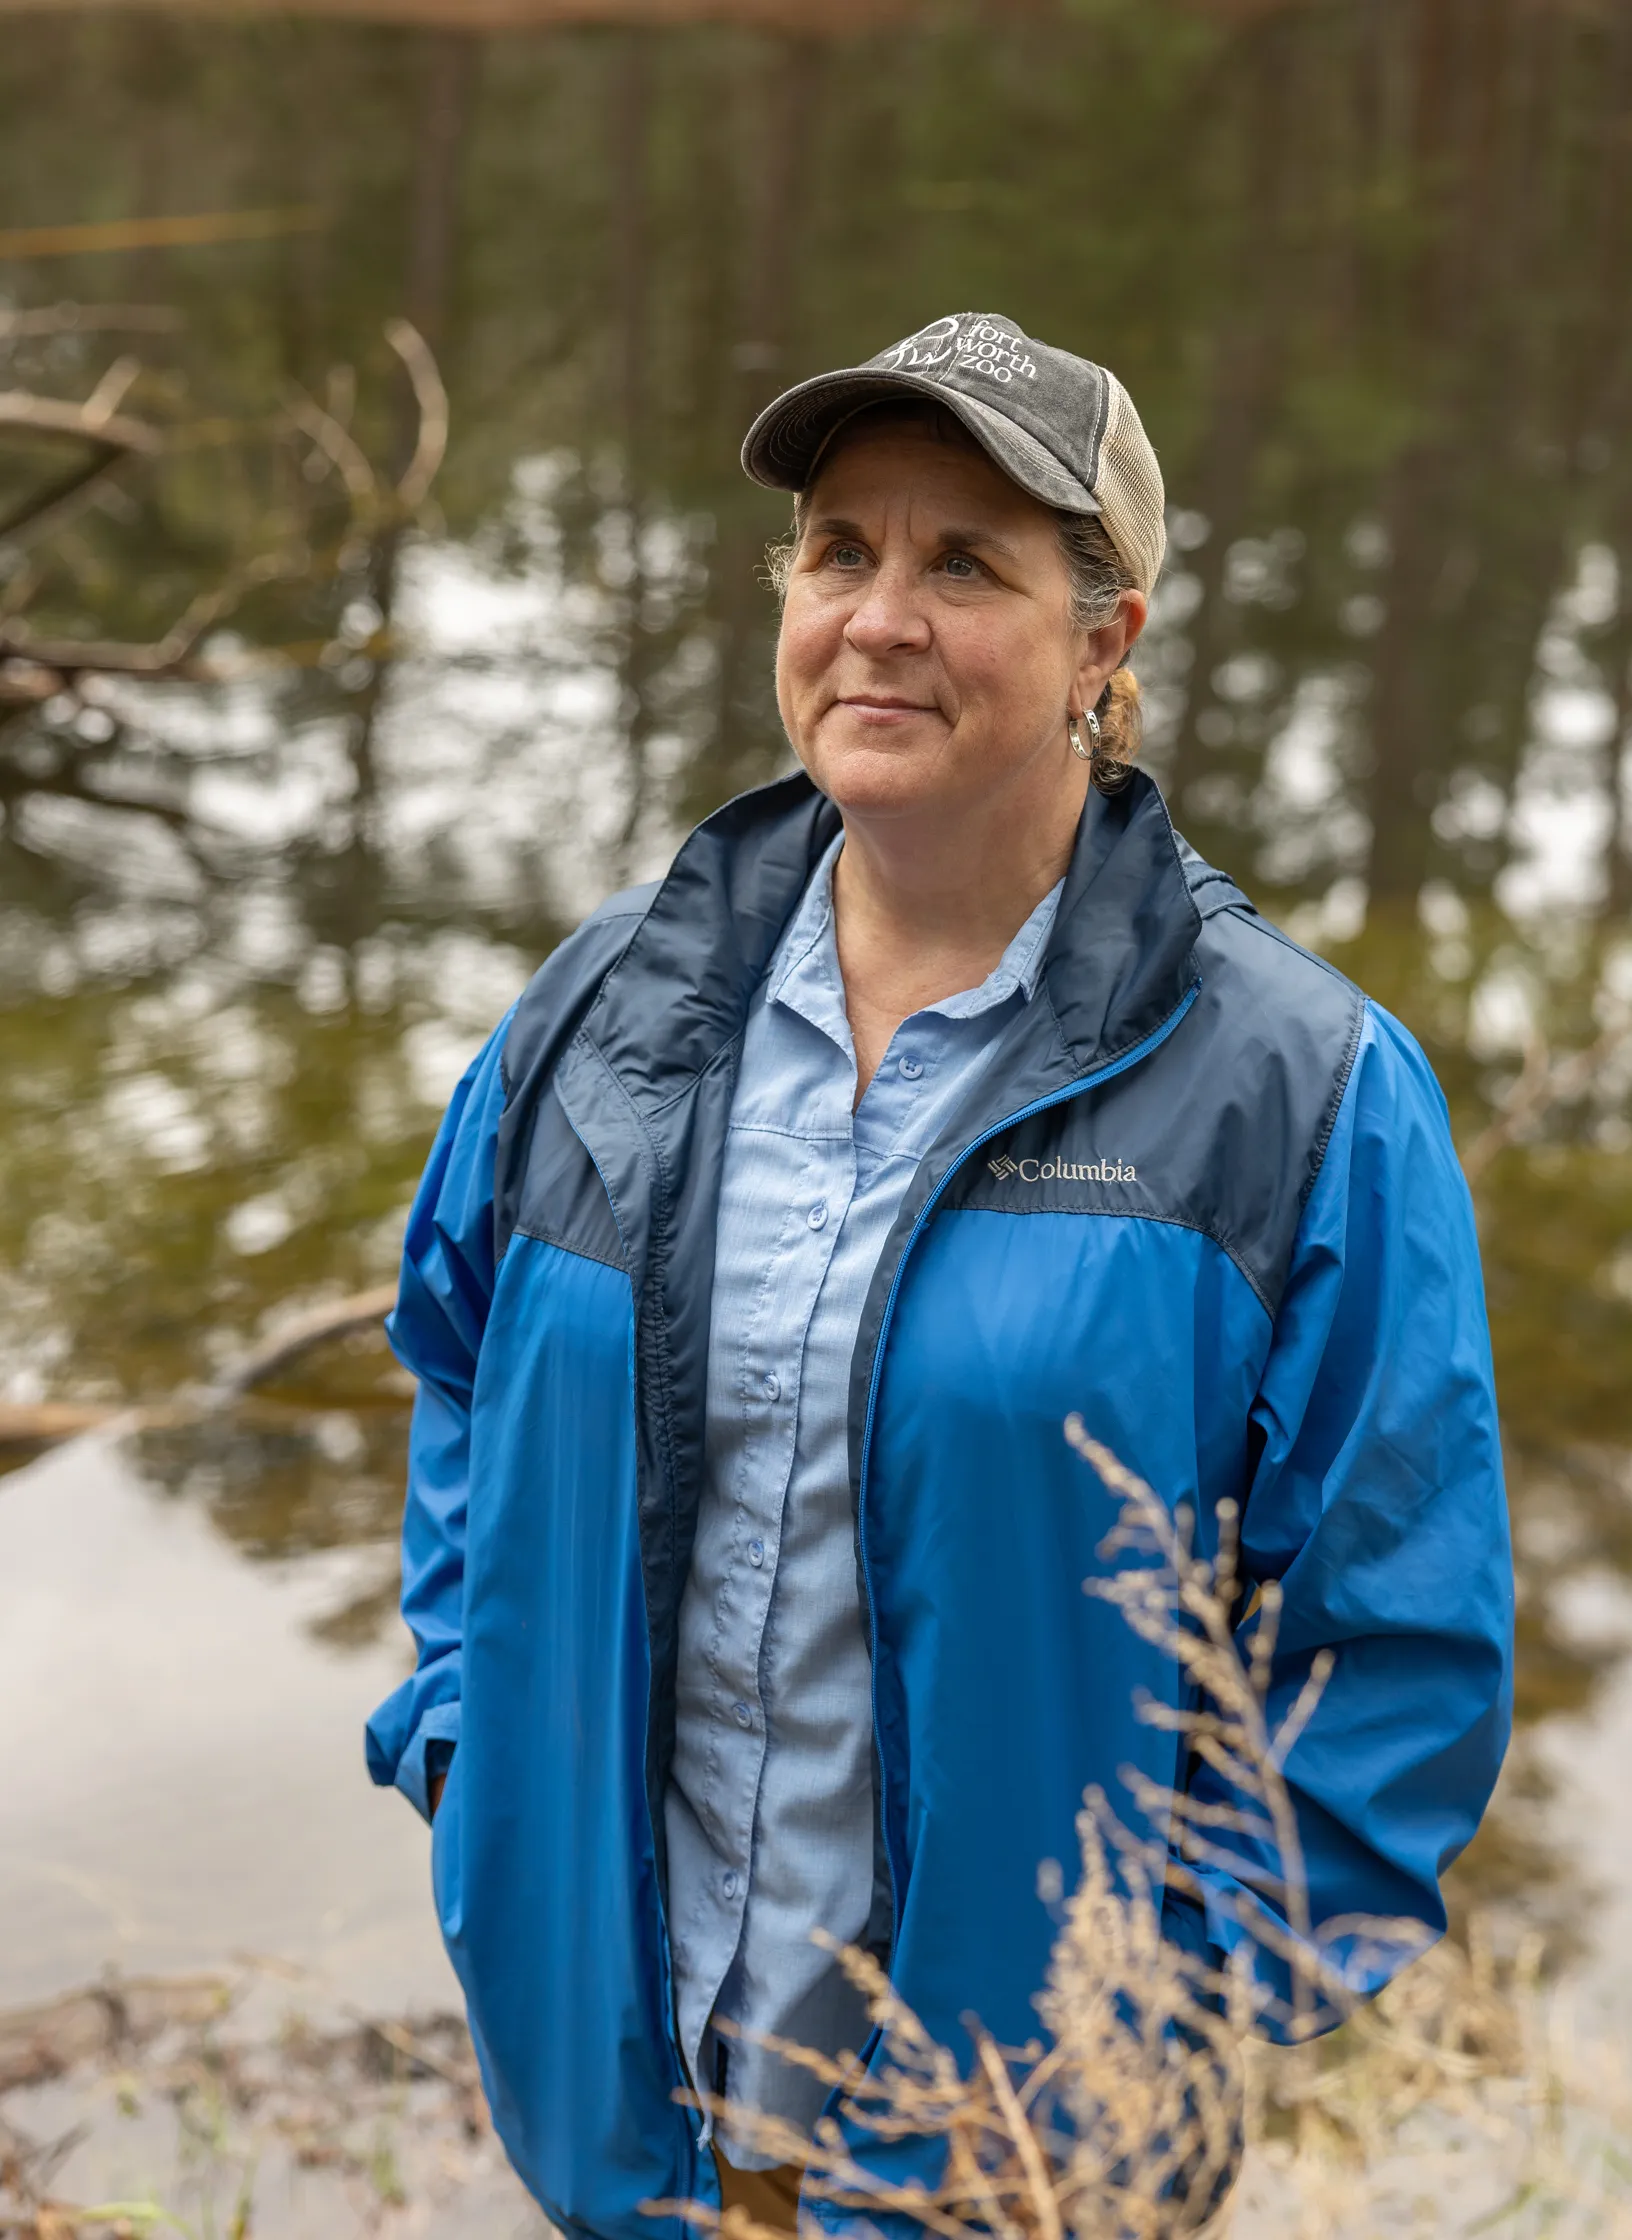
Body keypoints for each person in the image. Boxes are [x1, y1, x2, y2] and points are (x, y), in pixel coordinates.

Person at [365, 312, 1512, 2240]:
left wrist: (1136, 2026)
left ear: (1105, 646)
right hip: (619, 2121)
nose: (878, 616)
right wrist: (478, 1764)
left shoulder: (1295, 1092)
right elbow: (464, 1382)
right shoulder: (601, 1014)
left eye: (964, 563)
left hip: (1008, 2165)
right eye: (840, 551)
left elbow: (1393, 1659)